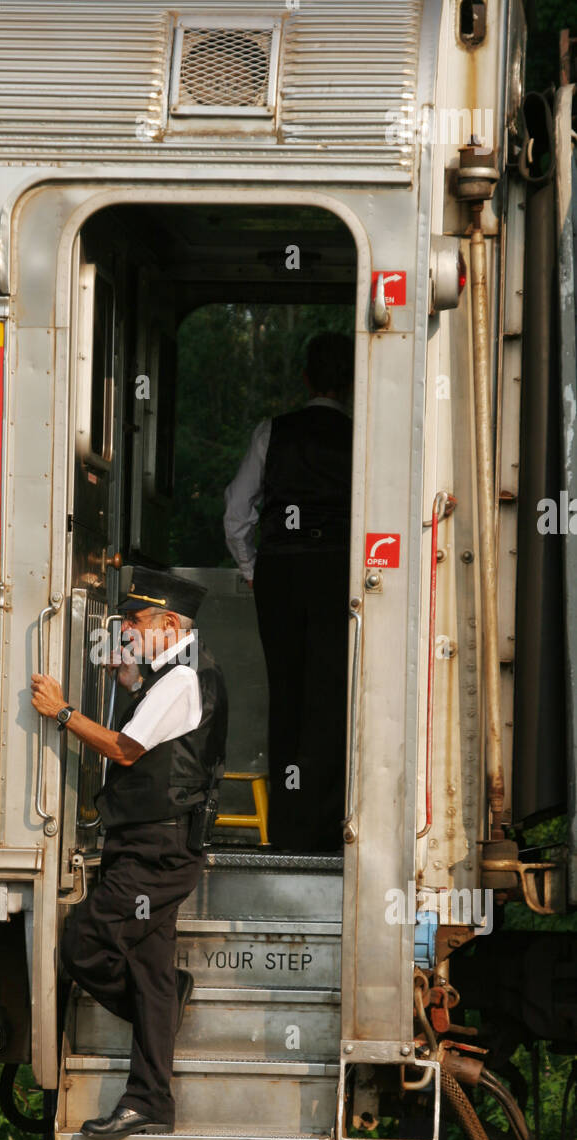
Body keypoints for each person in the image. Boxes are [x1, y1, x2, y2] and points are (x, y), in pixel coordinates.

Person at [30, 565, 228, 1140]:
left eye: (137, 622)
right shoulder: (177, 673)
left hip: (156, 851)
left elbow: (124, 749)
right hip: (152, 843)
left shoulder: (183, 678)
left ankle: (165, 1015)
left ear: (169, 623)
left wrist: (61, 713)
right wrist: (129, 686)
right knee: (149, 974)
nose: (128, 632)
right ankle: (149, 1101)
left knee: (83, 944)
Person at [223, 331, 353, 852]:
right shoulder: (360, 435)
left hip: (280, 571)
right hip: (336, 574)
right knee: (330, 698)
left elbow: (237, 511)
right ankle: (325, 830)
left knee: (287, 695)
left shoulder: (271, 431)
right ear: (349, 383)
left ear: (306, 380)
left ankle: (288, 831)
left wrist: (254, 568)